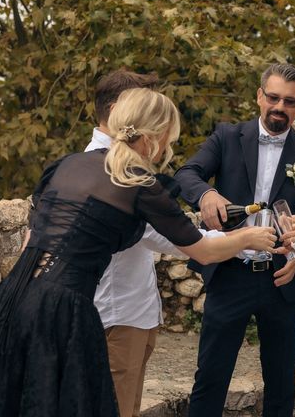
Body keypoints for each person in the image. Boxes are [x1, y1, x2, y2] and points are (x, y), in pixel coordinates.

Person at [0, 89, 276, 417]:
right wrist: (248, 237)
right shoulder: (138, 183)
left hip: (14, 296)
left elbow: (34, 232)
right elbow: (203, 251)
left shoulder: (68, 164)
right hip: (64, 306)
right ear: (155, 137)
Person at [174, 63, 295, 417]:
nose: (280, 107)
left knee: (281, 383)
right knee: (211, 377)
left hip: (281, 277)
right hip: (230, 272)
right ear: (259, 96)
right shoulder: (227, 137)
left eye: (290, 102)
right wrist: (206, 196)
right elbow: (186, 173)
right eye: (273, 97)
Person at [86, 70, 230, 417]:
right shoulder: (108, 170)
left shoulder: (119, 166)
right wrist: (248, 239)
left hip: (135, 311)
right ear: (123, 109)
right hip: (114, 315)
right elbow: (171, 236)